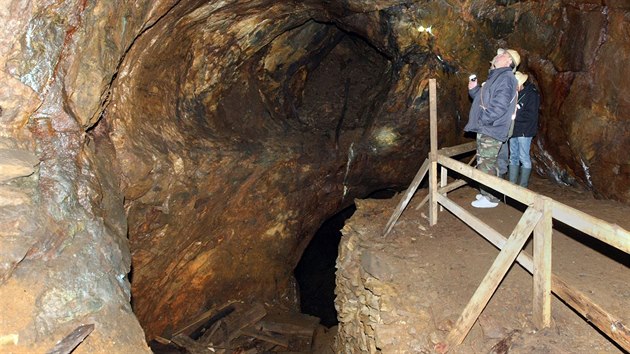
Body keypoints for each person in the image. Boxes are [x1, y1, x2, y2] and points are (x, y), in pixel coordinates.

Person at [465, 48, 520, 208]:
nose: (497, 55)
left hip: (492, 128)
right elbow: (483, 99)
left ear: (509, 61)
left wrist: (483, 119)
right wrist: (474, 89)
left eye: (502, 54)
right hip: (489, 127)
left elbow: (499, 105)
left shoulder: (506, 77)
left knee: (486, 164)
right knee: (487, 162)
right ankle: (486, 193)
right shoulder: (496, 77)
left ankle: (492, 198)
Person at [508, 71, 540, 187]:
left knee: (523, 157)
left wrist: (515, 115)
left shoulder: (531, 94)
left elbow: (532, 115)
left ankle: (523, 186)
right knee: (513, 156)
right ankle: (512, 184)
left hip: (525, 131)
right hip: (514, 130)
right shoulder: (515, 94)